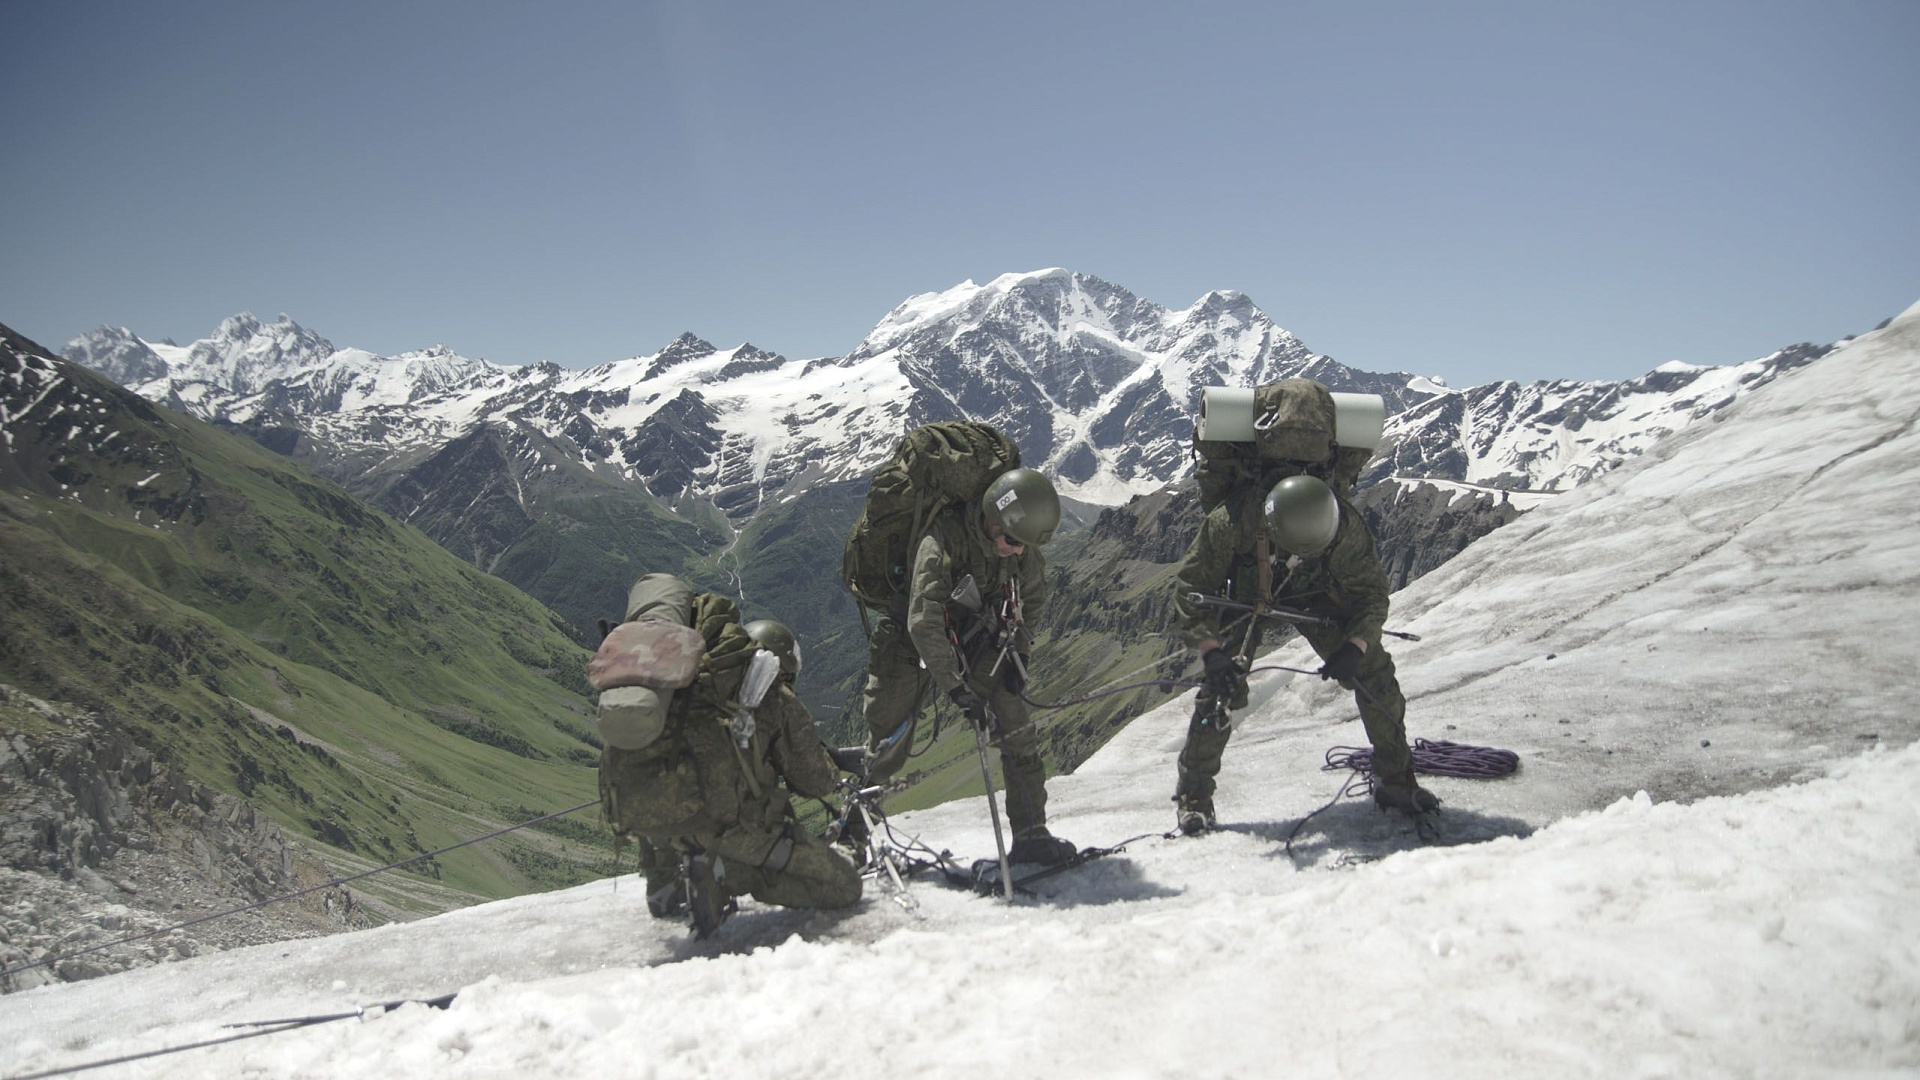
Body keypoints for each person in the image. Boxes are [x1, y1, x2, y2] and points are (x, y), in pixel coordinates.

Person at [1170, 474, 1436, 834]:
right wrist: (1211, 651)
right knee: (1222, 688)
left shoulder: (1344, 527)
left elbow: (1372, 594)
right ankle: (1194, 797)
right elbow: (1191, 587)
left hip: (1316, 592)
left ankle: (1397, 781)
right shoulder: (1232, 520)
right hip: (1244, 591)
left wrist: (1356, 647)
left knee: (1374, 672)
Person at [602, 575, 861, 930]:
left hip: (668, 827)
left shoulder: (683, 691)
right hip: (731, 830)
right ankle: (730, 874)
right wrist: (835, 772)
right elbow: (814, 781)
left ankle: (666, 884)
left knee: (668, 789)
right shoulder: (771, 692)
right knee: (843, 886)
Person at [859, 465, 1077, 866]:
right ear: (993, 522)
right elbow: (922, 621)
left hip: (978, 632)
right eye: (1012, 542)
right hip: (910, 640)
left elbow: (1033, 597)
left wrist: (1021, 654)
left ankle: (1031, 835)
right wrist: (956, 689)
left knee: (1018, 728)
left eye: (1024, 546)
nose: (1018, 552)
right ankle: (853, 836)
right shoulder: (941, 541)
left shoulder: (1020, 546)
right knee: (890, 736)